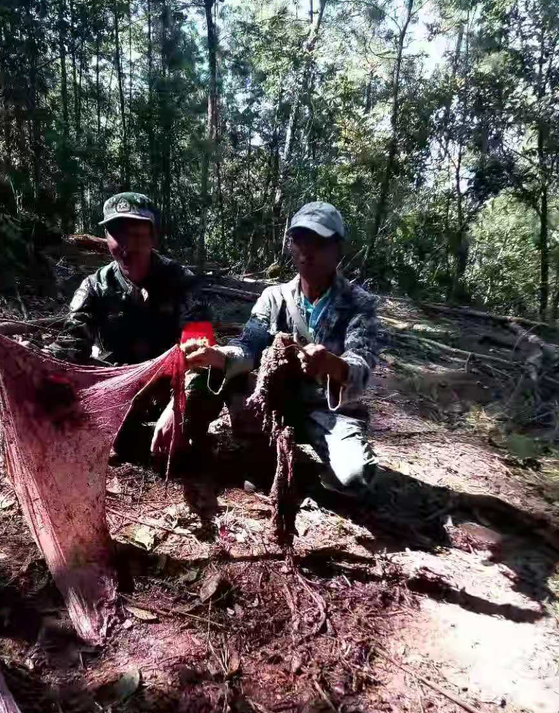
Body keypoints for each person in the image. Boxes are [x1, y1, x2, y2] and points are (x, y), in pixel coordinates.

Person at [184, 201, 378, 493]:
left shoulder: (359, 304)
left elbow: (361, 366)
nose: (307, 252)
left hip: (326, 411)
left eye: (319, 242)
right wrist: (220, 355)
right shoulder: (274, 298)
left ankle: (320, 466)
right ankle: (260, 450)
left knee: (355, 479)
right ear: (290, 246)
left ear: (338, 249)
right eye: (300, 241)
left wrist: (332, 365)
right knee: (237, 379)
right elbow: (248, 345)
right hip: (276, 405)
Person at [49, 192, 207, 365]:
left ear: (153, 236)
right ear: (106, 237)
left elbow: (199, 346)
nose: (127, 246)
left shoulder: (182, 281)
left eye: (136, 235)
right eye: (118, 235)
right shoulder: (95, 286)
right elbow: (71, 346)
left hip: (168, 377)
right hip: (110, 380)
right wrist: (41, 356)